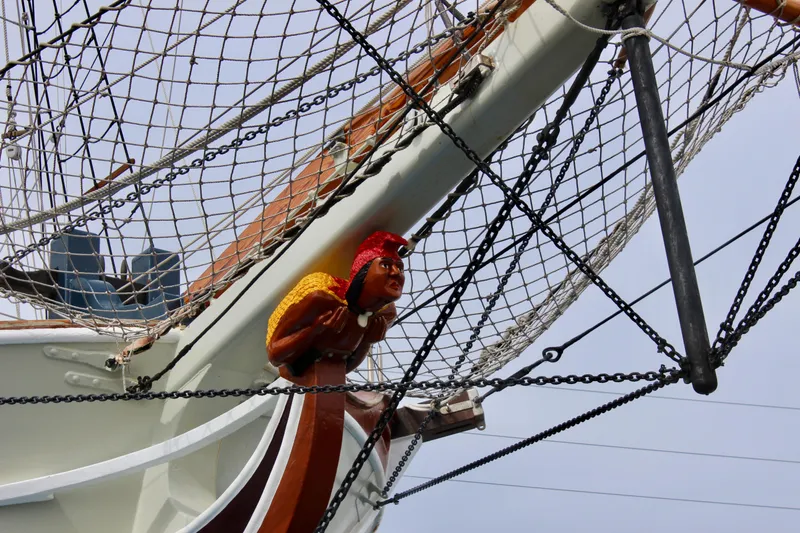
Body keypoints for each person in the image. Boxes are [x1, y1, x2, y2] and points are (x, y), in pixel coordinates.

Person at [266, 231, 406, 379]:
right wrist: (314, 330)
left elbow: (344, 367)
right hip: (292, 377)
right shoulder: (321, 296)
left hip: (327, 381)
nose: (397, 273)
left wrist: (366, 342)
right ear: (363, 273)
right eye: (385, 265)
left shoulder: (385, 314)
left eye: (400, 267)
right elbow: (275, 355)